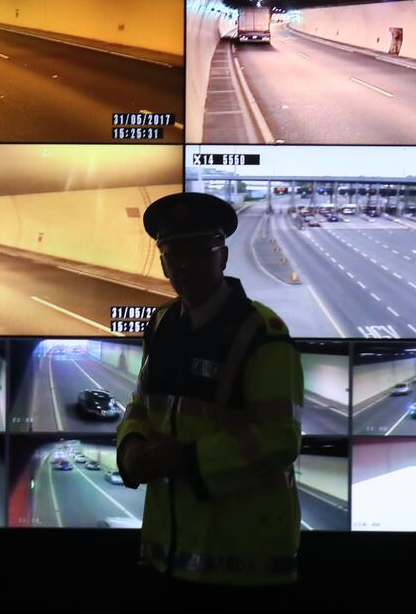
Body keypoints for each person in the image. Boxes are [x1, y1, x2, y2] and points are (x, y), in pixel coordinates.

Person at [116, 192, 304, 609]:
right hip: (169, 554)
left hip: (244, 564)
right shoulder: (162, 324)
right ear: (162, 260)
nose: (185, 264)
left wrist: (187, 459)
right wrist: (130, 448)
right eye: (173, 252)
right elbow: (141, 405)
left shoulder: (262, 333)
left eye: (200, 251)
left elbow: (279, 439)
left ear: (223, 256)